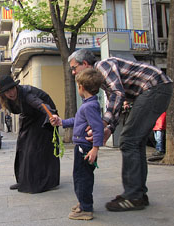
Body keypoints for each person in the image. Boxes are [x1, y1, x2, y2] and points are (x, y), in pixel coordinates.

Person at [68, 49, 173, 211]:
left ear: (86, 64)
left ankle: (133, 196)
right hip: (155, 88)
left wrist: (103, 123)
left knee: (128, 141)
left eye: (74, 67)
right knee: (136, 142)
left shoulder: (102, 66)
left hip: (154, 86)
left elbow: (118, 93)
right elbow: (114, 101)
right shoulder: (102, 80)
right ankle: (138, 194)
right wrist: (109, 128)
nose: (73, 72)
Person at [0, 75, 60, 193]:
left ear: (16, 87)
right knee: (22, 146)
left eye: (12, 88)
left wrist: (51, 115)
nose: (11, 93)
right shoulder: (3, 100)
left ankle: (42, 181)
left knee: (34, 148)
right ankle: (23, 180)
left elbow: (40, 104)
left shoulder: (27, 95)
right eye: (7, 91)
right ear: (3, 94)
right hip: (29, 116)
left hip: (44, 115)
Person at [50, 68, 104, 220]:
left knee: (82, 178)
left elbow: (98, 128)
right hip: (82, 148)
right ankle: (83, 203)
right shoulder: (88, 104)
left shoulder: (89, 106)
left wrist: (95, 148)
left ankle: (86, 208)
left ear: (81, 87)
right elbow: (77, 120)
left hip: (85, 149)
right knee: (81, 177)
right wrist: (61, 122)